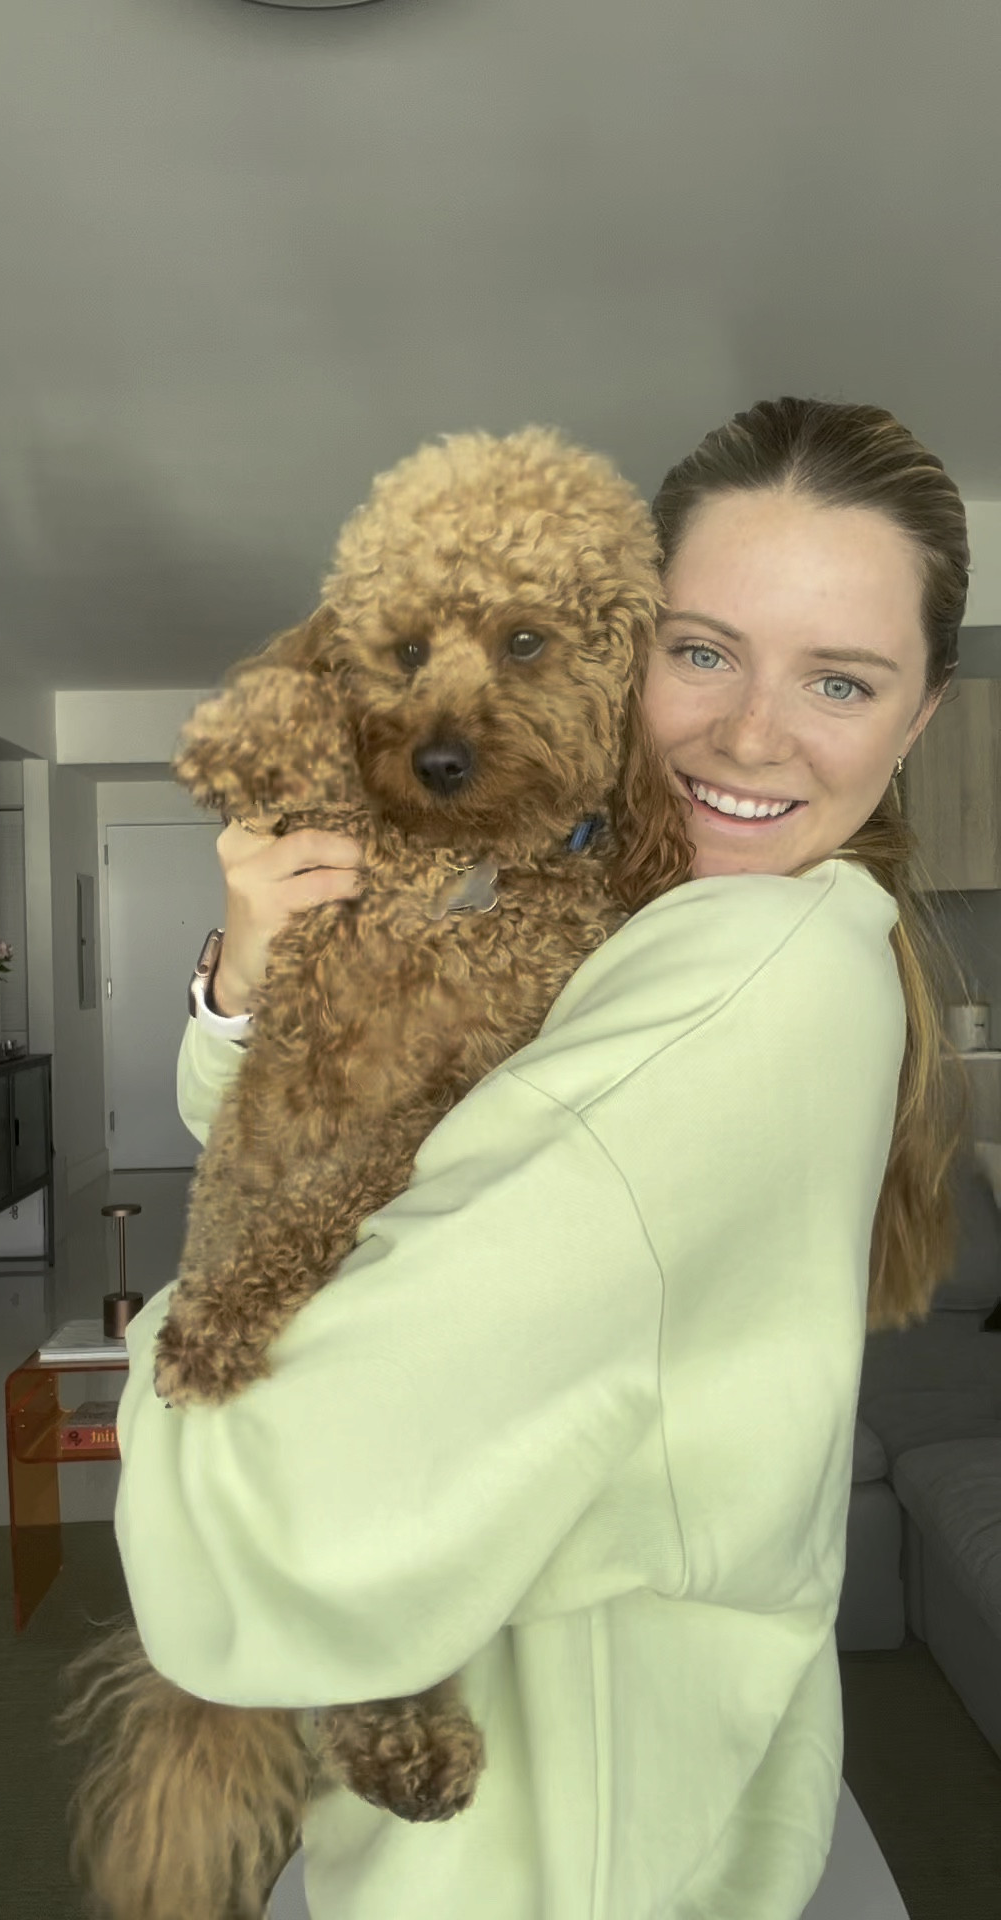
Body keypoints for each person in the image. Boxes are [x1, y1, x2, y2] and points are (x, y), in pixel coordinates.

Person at [114, 397, 971, 1920]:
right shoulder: (635, 908)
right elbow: (350, 1112)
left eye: (840, 679)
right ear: (630, 651)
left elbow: (276, 1484)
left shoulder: (745, 973)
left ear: (918, 721)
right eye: (701, 653)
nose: (751, 733)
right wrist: (247, 975)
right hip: (654, 1791)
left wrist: (161, 1362)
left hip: (550, 1856)